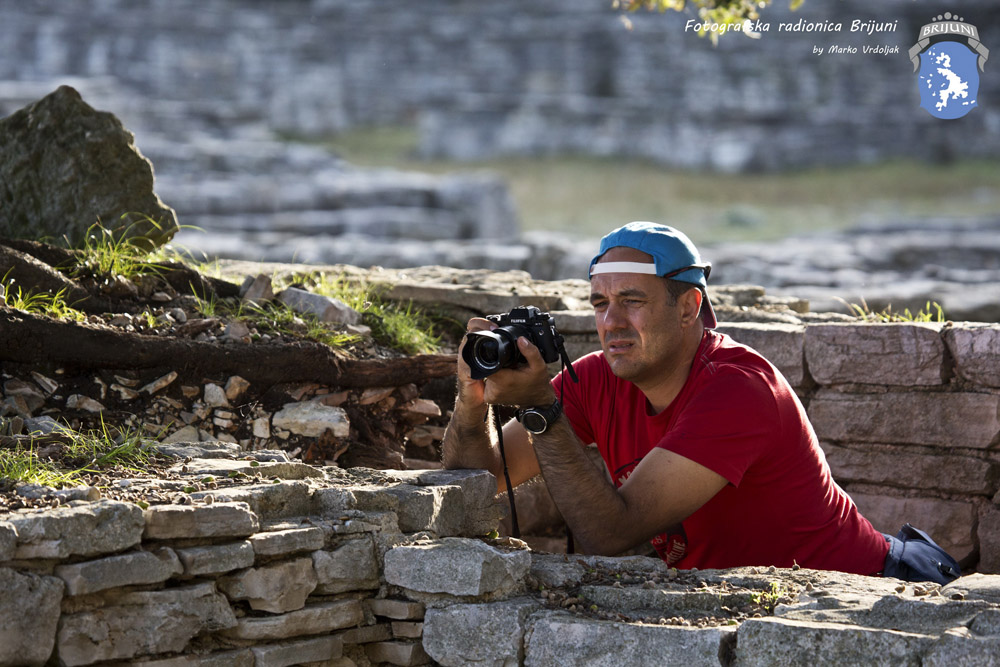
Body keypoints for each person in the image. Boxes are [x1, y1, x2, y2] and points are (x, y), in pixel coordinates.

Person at [442, 221, 959, 582]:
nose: (611, 322)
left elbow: (609, 533)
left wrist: (541, 408)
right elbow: (483, 477)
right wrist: (471, 400)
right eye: (601, 303)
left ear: (689, 306)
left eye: (633, 301)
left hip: (865, 591)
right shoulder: (596, 378)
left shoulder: (739, 389)